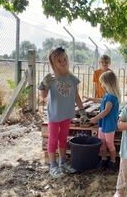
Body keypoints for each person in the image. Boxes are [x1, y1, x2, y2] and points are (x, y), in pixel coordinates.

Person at [38, 47, 88, 178]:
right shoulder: (51, 78)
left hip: (67, 113)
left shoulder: (72, 78)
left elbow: (77, 96)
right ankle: (53, 166)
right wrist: (42, 85)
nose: (63, 62)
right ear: (53, 63)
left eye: (64, 59)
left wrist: (82, 111)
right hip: (54, 114)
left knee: (63, 138)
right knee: (53, 139)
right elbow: (43, 95)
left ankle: (63, 162)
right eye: (59, 60)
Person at [86, 71, 121, 171]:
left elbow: (106, 111)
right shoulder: (107, 95)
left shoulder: (112, 97)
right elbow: (102, 100)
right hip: (103, 124)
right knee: (102, 143)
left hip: (109, 125)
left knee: (109, 143)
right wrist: (91, 99)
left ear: (108, 84)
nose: (101, 85)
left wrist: (95, 118)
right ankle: (104, 159)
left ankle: (113, 161)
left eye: (103, 83)